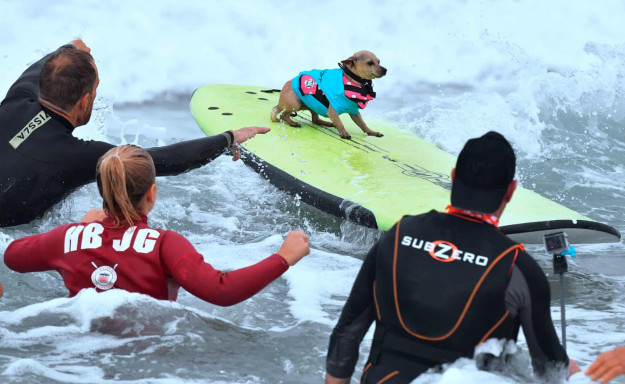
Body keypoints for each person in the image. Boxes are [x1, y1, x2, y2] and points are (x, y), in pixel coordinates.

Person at [325, 131, 579, 383]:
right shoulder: (517, 267)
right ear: (511, 191)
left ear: (453, 177)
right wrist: (577, 372)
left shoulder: (398, 235)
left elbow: (348, 332)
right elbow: (550, 370)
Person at [0, 39, 267, 227]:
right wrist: (229, 137)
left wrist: (69, 48)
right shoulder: (78, 156)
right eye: (95, 90)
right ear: (84, 100)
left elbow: (41, 67)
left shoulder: (15, 101)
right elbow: (165, 160)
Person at [3, 145, 309, 305]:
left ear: (102, 191)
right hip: (147, 355)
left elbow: (12, 256)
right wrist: (282, 258)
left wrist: (78, 228)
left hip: (80, 360)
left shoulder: (69, 238)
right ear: (152, 193)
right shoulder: (165, 244)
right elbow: (221, 291)